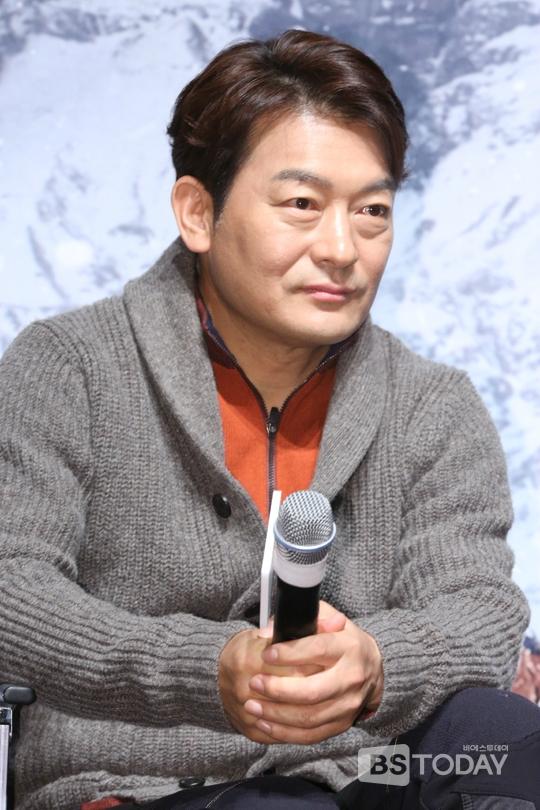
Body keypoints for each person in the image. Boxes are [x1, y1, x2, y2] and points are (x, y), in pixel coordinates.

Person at [0, 28, 538, 810]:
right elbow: (11, 589)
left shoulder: (434, 404)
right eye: (302, 206)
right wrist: (207, 669)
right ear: (198, 212)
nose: (342, 249)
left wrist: (377, 664)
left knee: (510, 748)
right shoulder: (69, 367)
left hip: (368, 772)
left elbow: (480, 609)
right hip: (142, 783)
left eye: (373, 211)